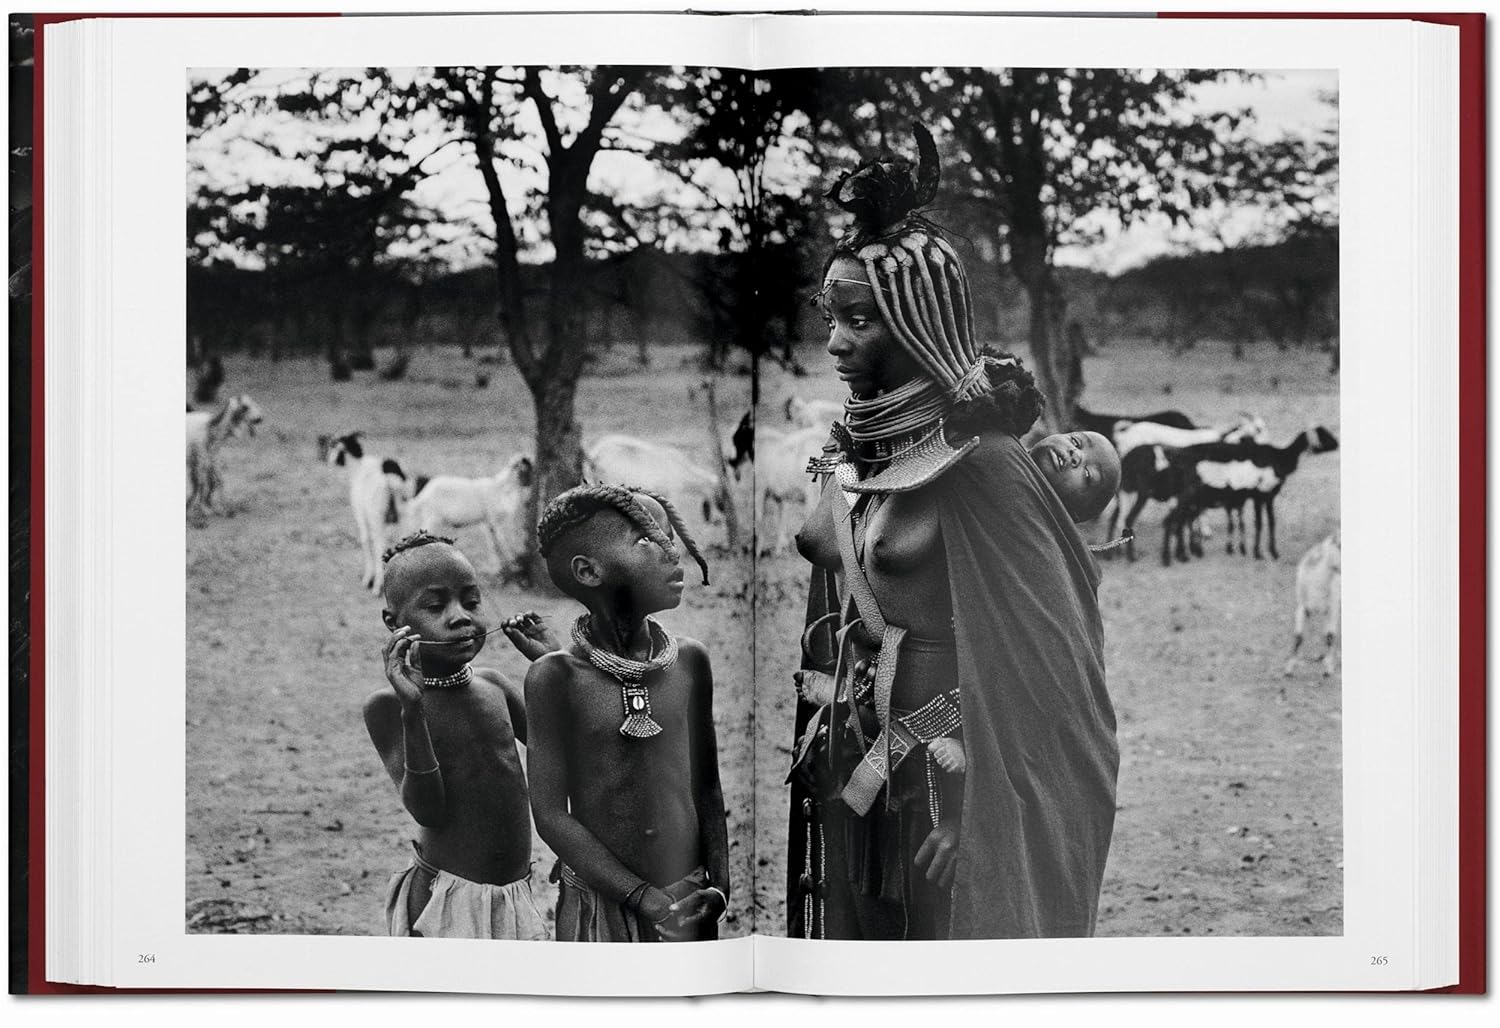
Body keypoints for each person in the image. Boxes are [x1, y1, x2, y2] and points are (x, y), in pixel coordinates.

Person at [785, 126, 1120, 941]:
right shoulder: (866, 451)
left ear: (919, 319)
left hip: (959, 790)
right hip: (867, 762)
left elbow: (1058, 679)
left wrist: (981, 813)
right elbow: (830, 569)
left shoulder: (985, 465)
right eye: (831, 315)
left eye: (860, 320)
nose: (835, 341)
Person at [525, 484, 730, 942]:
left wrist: (718, 890)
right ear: (588, 571)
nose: (670, 552)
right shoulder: (555, 678)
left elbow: (707, 788)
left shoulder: (690, 662)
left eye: (670, 539)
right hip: (602, 905)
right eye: (646, 540)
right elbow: (551, 815)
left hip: (689, 900)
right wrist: (641, 897)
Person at [364, 530, 557, 940]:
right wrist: (413, 711)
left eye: (471, 601)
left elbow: (561, 754)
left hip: (516, 896)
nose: (460, 616)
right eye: (436, 605)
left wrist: (554, 668)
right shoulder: (388, 707)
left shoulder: (495, 686)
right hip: (447, 904)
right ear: (393, 622)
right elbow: (428, 811)